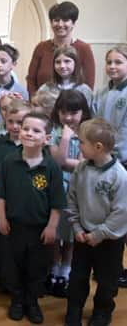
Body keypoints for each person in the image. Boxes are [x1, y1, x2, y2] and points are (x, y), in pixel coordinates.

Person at [0, 112, 66, 324]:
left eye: (36, 131)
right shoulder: (9, 161)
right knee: (11, 265)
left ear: (46, 138)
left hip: (40, 229)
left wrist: (52, 227)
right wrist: (1, 218)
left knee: (36, 267)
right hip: (13, 226)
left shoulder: (51, 167)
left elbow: (57, 202)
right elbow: (1, 193)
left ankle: (32, 301)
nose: (29, 133)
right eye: (26, 128)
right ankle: (17, 299)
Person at [65, 118, 127, 326]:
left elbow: (121, 212)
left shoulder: (119, 176)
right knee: (78, 276)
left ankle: (102, 312)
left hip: (109, 239)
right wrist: (76, 227)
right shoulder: (81, 168)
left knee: (107, 279)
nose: (78, 145)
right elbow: (71, 198)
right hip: (83, 234)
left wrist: (99, 234)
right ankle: (74, 309)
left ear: (97, 147)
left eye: (81, 142)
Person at [47, 90, 91, 298]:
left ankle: (66, 270)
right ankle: (54, 269)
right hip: (57, 190)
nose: (68, 117)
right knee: (56, 234)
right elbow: (58, 162)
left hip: (78, 192)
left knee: (72, 236)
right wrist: (65, 138)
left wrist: (67, 162)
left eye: (73, 113)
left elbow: (82, 164)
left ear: (83, 112)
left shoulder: (87, 133)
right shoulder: (55, 131)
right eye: (64, 112)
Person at [92, 44, 127, 288]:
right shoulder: (103, 92)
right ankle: (107, 265)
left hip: (121, 159)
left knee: (121, 214)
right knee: (106, 211)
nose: (112, 66)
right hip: (102, 157)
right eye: (109, 62)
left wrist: (113, 153)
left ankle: (117, 267)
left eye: (118, 62)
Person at [26, 1, 95, 96]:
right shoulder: (41, 47)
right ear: (51, 22)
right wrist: (36, 103)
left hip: (73, 107)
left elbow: (89, 83)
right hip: (43, 106)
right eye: (56, 20)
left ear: (73, 23)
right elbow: (31, 80)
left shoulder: (84, 48)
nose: (60, 24)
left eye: (65, 20)